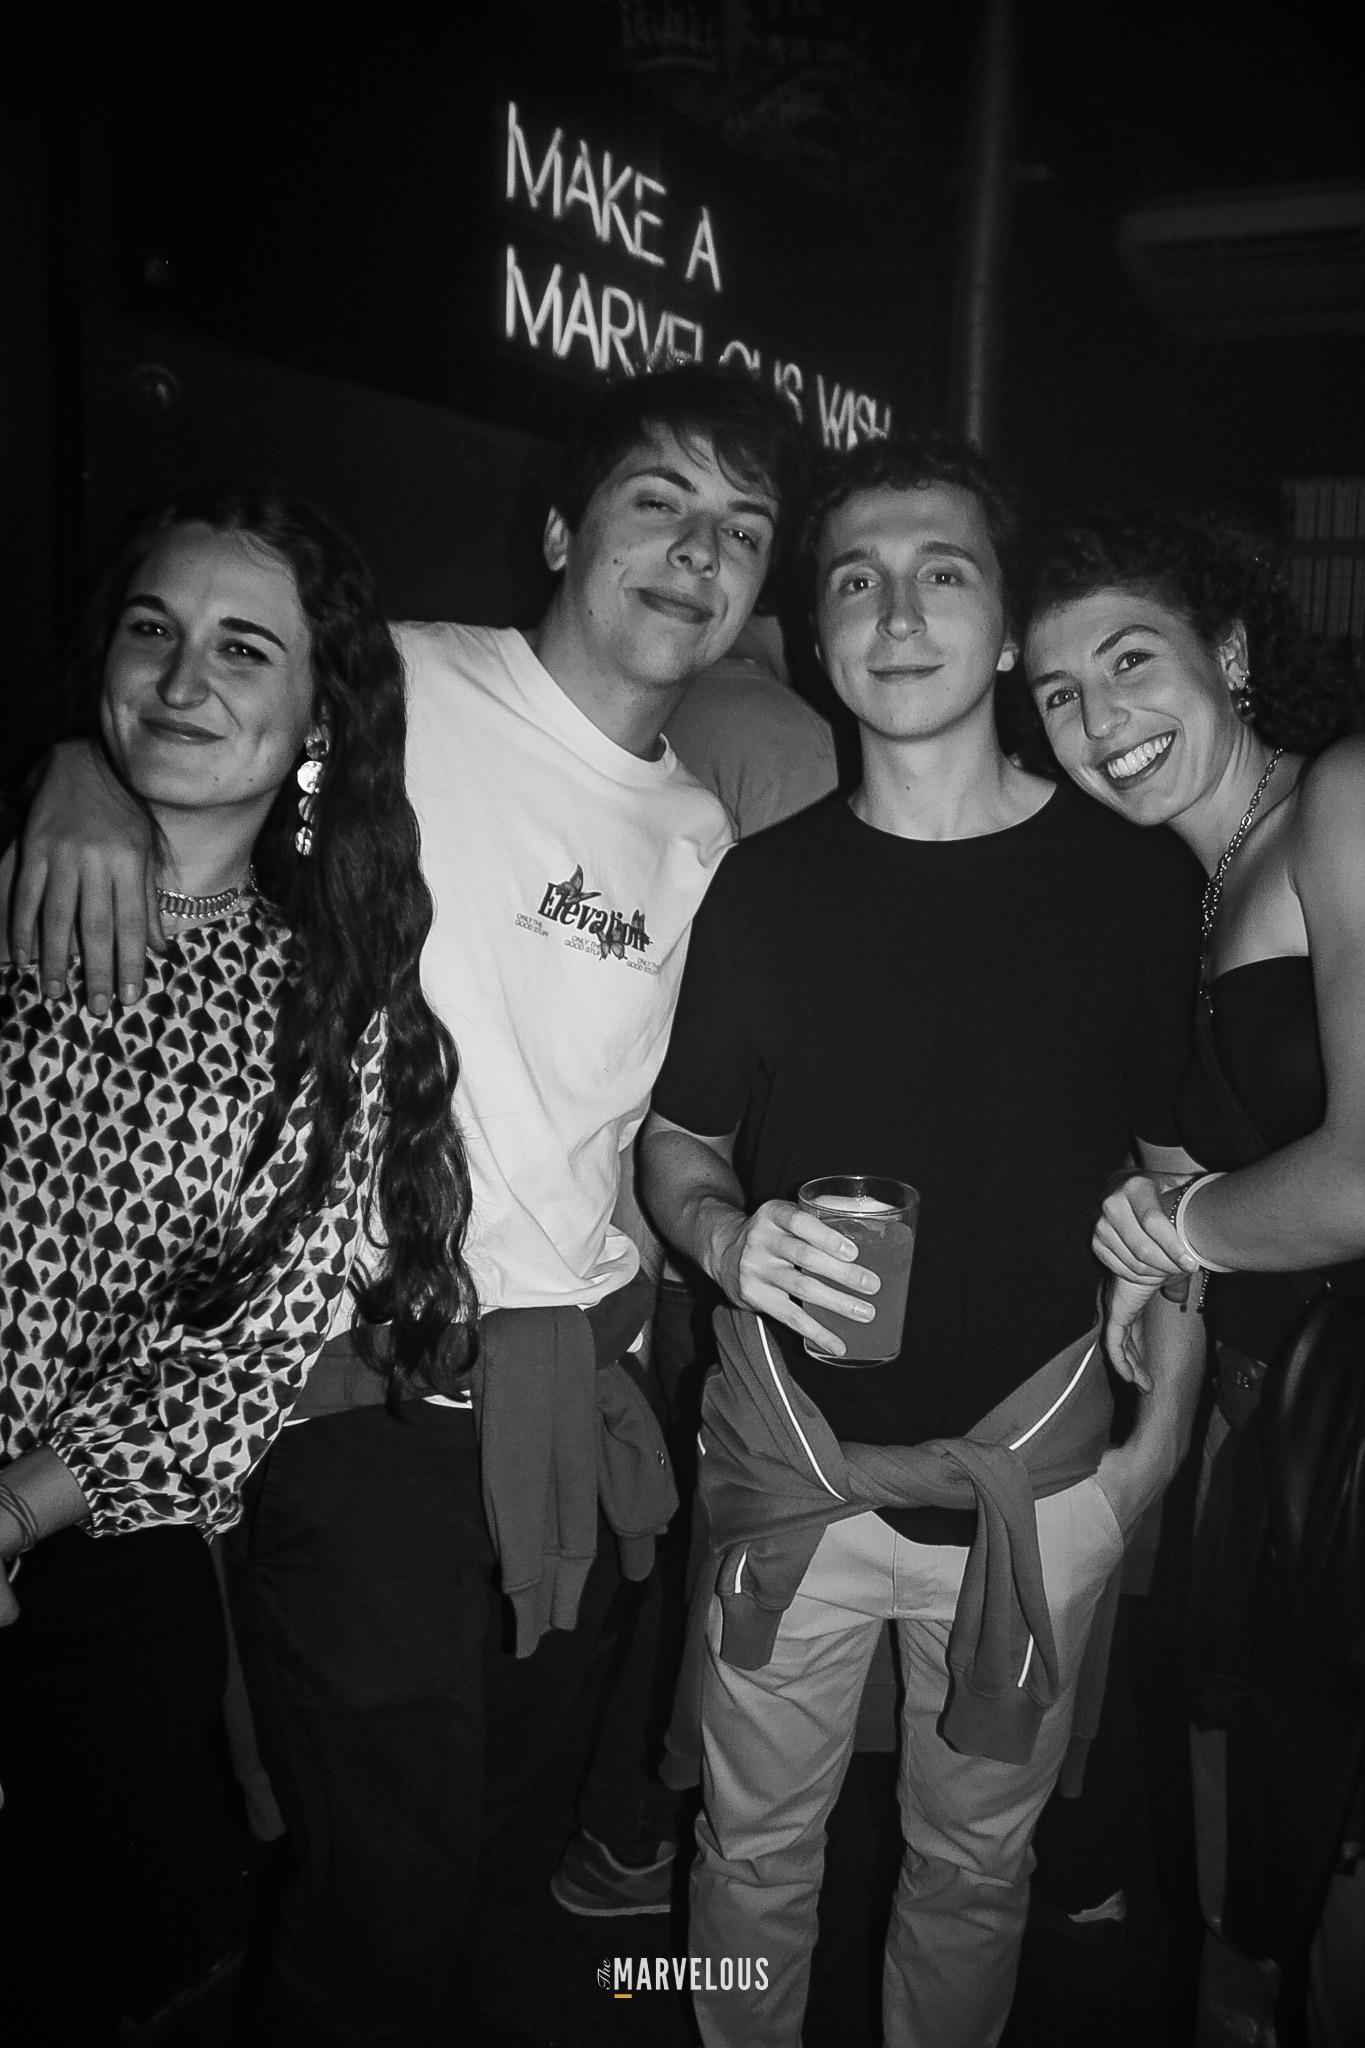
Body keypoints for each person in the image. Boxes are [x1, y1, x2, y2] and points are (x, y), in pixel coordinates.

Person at [9, 364, 808, 2045]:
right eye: (657, 502)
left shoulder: (699, 832)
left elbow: (644, 1124)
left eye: (741, 529)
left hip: (575, 1402)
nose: (696, 552)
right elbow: (197, 702)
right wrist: (72, 767)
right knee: (378, 1900)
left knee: (495, 1852)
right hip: (359, 1400)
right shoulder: (411, 684)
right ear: (560, 529)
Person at [636, 429, 1210, 2048]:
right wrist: (724, 1237)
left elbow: (1176, 1188)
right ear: (816, 635)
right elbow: (678, 1139)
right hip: (791, 1474)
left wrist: (1149, 1461)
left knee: (974, 1867)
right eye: (855, 583)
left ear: (1007, 625)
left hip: (1034, 1486)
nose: (895, 615)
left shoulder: (1127, 885)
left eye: (940, 574)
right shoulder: (761, 889)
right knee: (748, 1852)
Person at [0, 484, 475, 2039]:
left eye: (242, 649)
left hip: (91, 1554)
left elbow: (244, 1358)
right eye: (154, 629)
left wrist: (12, 1510)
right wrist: (58, 770)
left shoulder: (323, 1007)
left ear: (316, 719)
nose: (182, 678)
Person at [1023, 506, 1364, 2048]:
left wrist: (1171, 1233)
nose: (1100, 719)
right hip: (1269, 1425)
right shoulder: (1193, 892)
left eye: (1129, 661)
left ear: (1225, 654)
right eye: (1057, 693)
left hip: (1347, 1430)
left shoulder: (1343, 798)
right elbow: (1185, 1180)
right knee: (1252, 1879)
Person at [552, 608, 840, 1917]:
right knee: (705, 1562)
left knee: (664, 1549)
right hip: (711, 1235)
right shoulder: (784, 739)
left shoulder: (640, 714)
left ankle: (623, 1830)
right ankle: (632, 1832)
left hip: (618, 1220)